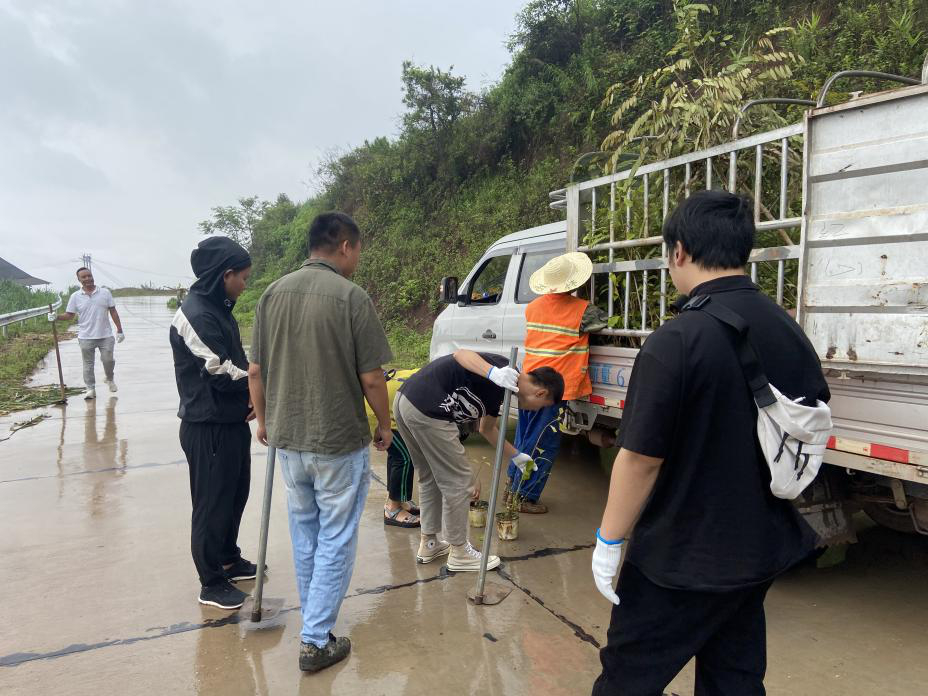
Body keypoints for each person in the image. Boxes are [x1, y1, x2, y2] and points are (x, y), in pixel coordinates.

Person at [590, 191, 829, 695]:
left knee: (626, 680)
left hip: (678, 562)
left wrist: (609, 542)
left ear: (678, 252)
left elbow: (639, 460)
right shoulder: (788, 330)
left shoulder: (675, 341)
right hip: (758, 550)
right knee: (734, 679)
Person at [248, 212, 394, 674]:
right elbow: (372, 377)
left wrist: (265, 419)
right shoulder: (351, 298)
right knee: (336, 535)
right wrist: (384, 424)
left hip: (288, 440)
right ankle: (314, 640)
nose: (358, 258)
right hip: (336, 440)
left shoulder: (272, 293)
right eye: (358, 250)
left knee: (306, 531)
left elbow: (256, 370)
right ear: (346, 246)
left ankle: (316, 624)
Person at [394, 349, 564, 572]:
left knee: (429, 476)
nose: (534, 410)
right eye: (540, 407)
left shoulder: (502, 392)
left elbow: (487, 429)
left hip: (409, 402)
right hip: (428, 408)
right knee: (459, 481)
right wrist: (493, 372)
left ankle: (430, 543)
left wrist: (517, 456)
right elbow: (460, 355)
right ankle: (459, 552)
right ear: (540, 393)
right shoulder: (505, 369)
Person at [169, 236, 257, 611]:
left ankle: (227, 557)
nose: (245, 284)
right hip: (208, 428)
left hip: (231, 422)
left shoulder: (219, 307)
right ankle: (211, 581)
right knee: (211, 504)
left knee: (235, 495)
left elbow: (235, 360)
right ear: (226, 275)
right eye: (243, 277)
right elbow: (219, 369)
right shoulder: (195, 314)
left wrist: (251, 398)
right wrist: (260, 384)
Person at [507, 252, 608, 514]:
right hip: (550, 389)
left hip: (527, 381)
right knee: (544, 442)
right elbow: (605, 321)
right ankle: (526, 497)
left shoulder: (533, 307)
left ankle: (511, 487)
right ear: (574, 282)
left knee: (524, 437)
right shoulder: (584, 311)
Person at [49, 267, 124, 400]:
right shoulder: (75, 296)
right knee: (88, 364)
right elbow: (69, 315)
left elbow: (113, 311)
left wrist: (120, 329)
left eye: (89, 276)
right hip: (85, 336)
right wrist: (56, 317)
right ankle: (90, 388)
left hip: (105, 335)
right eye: (84, 277)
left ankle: (109, 378)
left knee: (108, 360)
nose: (87, 279)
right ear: (79, 280)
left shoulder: (105, 293)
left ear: (92, 276)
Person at [367, 369, 421, 528]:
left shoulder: (425, 374)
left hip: (389, 408)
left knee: (398, 456)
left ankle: (397, 501)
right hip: (381, 412)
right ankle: (393, 509)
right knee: (404, 457)